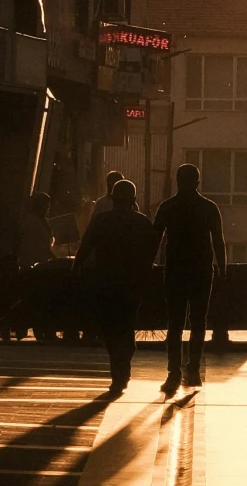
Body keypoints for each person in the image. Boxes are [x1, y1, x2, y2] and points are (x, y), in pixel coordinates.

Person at [73, 180, 160, 395]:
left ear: (112, 199)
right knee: (126, 323)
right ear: (133, 200)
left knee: (109, 327)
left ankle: (117, 371)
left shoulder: (102, 221)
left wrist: (75, 266)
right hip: (131, 283)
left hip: (106, 282)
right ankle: (124, 366)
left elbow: (86, 245)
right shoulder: (142, 222)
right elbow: (152, 252)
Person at [152, 162, 226, 392]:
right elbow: (218, 241)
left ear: (177, 180)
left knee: (174, 323)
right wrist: (222, 268)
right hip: (202, 270)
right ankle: (193, 368)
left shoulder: (167, 207)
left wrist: (147, 264)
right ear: (197, 182)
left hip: (175, 270)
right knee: (198, 321)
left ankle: (173, 372)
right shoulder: (209, 207)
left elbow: (154, 238)